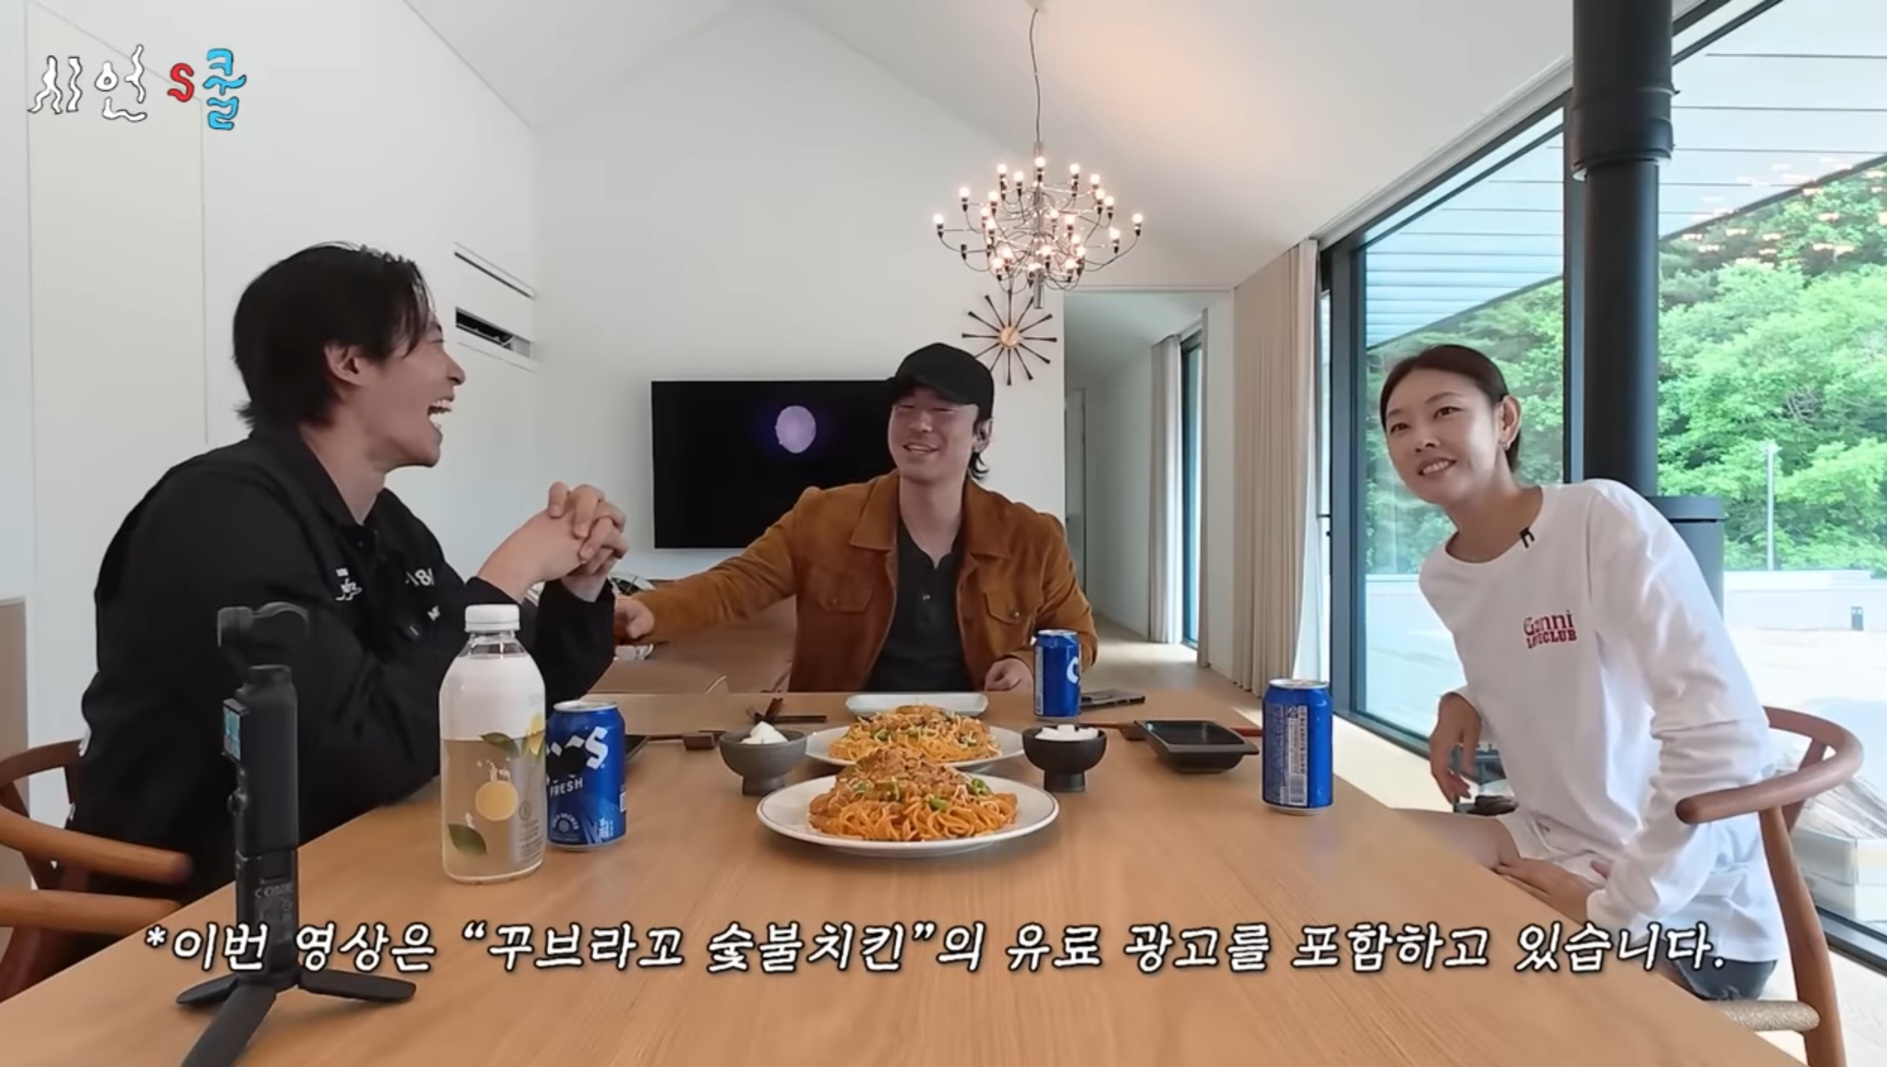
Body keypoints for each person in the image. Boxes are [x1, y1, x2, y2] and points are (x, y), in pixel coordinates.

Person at [67, 243, 629, 914]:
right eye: (431, 342)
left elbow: (514, 694)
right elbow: (366, 752)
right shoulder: (219, 515)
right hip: (202, 911)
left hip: (353, 868)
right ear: (350, 361)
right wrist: (511, 570)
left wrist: (579, 585)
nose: (455, 372)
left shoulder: (384, 521)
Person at [1376, 342, 1783, 1001]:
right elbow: (1543, 652)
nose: (1420, 437)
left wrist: (1612, 913)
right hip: (1543, 836)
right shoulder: (1442, 572)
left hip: (1684, 907)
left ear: (1505, 419)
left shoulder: (1600, 518)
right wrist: (1466, 697)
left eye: (1444, 411)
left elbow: (1725, 735)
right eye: (1399, 425)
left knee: (1443, 983)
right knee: (1348, 855)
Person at [617, 342, 1097, 693]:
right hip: (842, 738)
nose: (920, 423)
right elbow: (737, 584)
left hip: (982, 737)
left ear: (982, 434)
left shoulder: (1034, 537)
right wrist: (652, 611)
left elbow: (1079, 636)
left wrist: (1028, 664)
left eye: (942, 411)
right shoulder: (821, 516)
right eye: (905, 408)